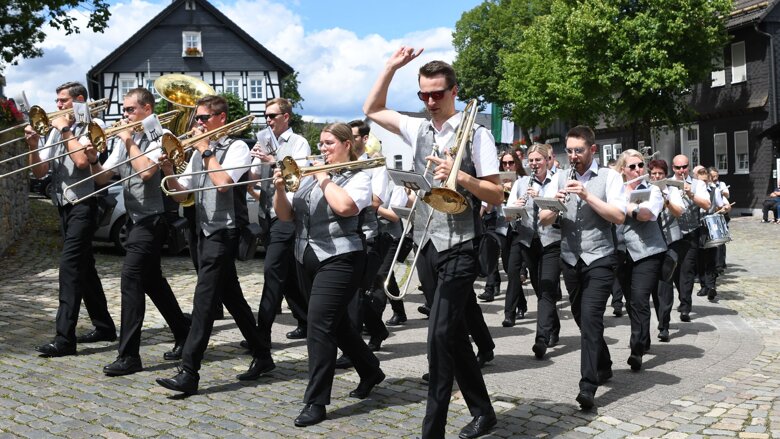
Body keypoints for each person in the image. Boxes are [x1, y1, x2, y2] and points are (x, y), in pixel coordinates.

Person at [364, 46, 500, 439]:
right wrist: (390, 66)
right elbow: (373, 108)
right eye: (423, 95)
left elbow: (495, 195)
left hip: (460, 244)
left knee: (439, 337)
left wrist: (462, 179)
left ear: (454, 92)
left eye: (437, 94)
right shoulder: (419, 127)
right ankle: (484, 411)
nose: (429, 102)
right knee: (453, 335)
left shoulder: (478, 133)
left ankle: (432, 430)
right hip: (426, 242)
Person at [156, 95, 273, 395]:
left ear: (221, 118)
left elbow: (223, 183)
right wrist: (169, 169)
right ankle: (263, 354)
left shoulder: (237, 147)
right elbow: (182, 196)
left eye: (203, 118)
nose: (197, 124)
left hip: (225, 231)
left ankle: (189, 371)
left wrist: (205, 150)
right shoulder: (199, 152)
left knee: (204, 301)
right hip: (203, 231)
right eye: (196, 118)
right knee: (232, 297)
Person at [272, 123, 384, 427]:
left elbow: (346, 207)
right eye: (320, 144)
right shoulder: (307, 178)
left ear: (347, 144)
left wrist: (322, 177)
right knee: (335, 323)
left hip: (342, 258)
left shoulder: (359, 176)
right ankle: (370, 368)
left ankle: (316, 400)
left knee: (319, 326)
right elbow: (286, 216)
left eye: (329, 143)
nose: (322, 149)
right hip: (305, 256)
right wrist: (280, 188)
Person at [86, 88, 190, 375]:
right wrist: (95, 158)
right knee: (153, 281)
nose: (124, 115)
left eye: (130, 109)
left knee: (130, 281)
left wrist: (129, 140)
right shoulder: (126, 138)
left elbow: (146, 172)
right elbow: (105, 177)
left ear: (147, 109)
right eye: (124, 109)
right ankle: (184, 331)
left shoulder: (161, 135)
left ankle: (130, 355)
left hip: (154, 219)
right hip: (135, 218)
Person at [25, 81, 117, 357]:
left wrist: (65, 129)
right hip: (63, 205)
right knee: (84, 268)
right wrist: (33, 145)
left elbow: (81, 163)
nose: (58, 106)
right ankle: (104, 326)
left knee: (69, 268)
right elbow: (41, 171)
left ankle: (64, 338)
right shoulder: (55, 130)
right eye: (57, 101)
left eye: (63, 101)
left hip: (84, 205)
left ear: (78, 100)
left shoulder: (94, 126)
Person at [539, 125, 626, 410]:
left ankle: (587, 386)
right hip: (570, 258)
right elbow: (543, 219)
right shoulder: (560, 177)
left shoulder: (610, 177)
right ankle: (603, 362)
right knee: (579, 316)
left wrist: (588, 195)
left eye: (579, 150)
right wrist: (555, 206)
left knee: (590, 319)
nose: (573, 156)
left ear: (592, 149)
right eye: (570, 151)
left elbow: (618, 216)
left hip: (600, 257)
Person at [249, 97, 310, 342]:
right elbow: (253, 177)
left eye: (273, 115)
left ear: (286, 117)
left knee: (272, 270)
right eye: (266, 116)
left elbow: (299, 176)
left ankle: (259, 333)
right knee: (288, 274)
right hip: (267, 214)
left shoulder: (299, 142)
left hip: (287, 216)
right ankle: (305, 320)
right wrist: (254, 157)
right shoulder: (264, 140)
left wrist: (271, 160)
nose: (268, 120)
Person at [506, 144, 562, 358]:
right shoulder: (520, 183)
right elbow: (508, 215)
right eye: (531, 160)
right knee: (540, 289)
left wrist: (538, 196)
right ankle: (553, 327)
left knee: (547, 287)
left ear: (548, 160)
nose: (535, 164)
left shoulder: (556, 181)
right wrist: (516, 210)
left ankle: (541, 339)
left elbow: (559, 208)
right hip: (529, 241)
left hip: (551, 241)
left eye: (539, 160)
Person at [614, 150, 667, 371]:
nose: (638, 170)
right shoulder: (614, 189)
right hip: (621, 252)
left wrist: (623, 204)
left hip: (648, 252)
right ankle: (643, 338)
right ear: (622, 170)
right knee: (630, 301)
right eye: (632, 167)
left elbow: (646, 214)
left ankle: (636, 349)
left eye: (640, 166)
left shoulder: (652, 189)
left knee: (639, 299)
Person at [670, 154, 711, 322]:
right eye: (678, 167)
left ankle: (686, 307)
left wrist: (691, 194)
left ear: (688, 166)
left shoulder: (698, 184)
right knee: (675, 272)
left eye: (684, 167)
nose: (682, 170)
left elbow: (707, 205)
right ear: (673, 168)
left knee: (687, 270)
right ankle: (682, 298)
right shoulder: (668, 184)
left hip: (691, 232)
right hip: (671, 234)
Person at [647, 159, 684, 342]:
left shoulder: (673, 190)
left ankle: (664, 326)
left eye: (660, 174)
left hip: (670, 242)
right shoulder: (646, 189)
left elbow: (679, 212)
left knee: (666, 284)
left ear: (665, 174)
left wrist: (666, 200)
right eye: (653, 174)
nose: (656, 177)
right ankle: (657, 320)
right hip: (652, 244)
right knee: (653, 285)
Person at [694, 166, 729, 302]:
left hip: (711, 226)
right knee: (700, 257)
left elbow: (722, 206)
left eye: (705, 180)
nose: (703, 183)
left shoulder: (715, 191)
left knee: (711, 256)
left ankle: (711, 286)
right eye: (700, 180)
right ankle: (703, 285)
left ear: (708, 179)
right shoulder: (693, 192)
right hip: (697, 227)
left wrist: (725, 208)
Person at [708, 167, 729, 273]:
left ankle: (720, 264)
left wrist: (720, 192)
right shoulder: (705, 187)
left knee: (721, 240)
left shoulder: (721, 185)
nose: (715, 178)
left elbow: (726, 197)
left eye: (716, 176)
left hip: (720, 215)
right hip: (710, 216)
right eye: (713, 176)